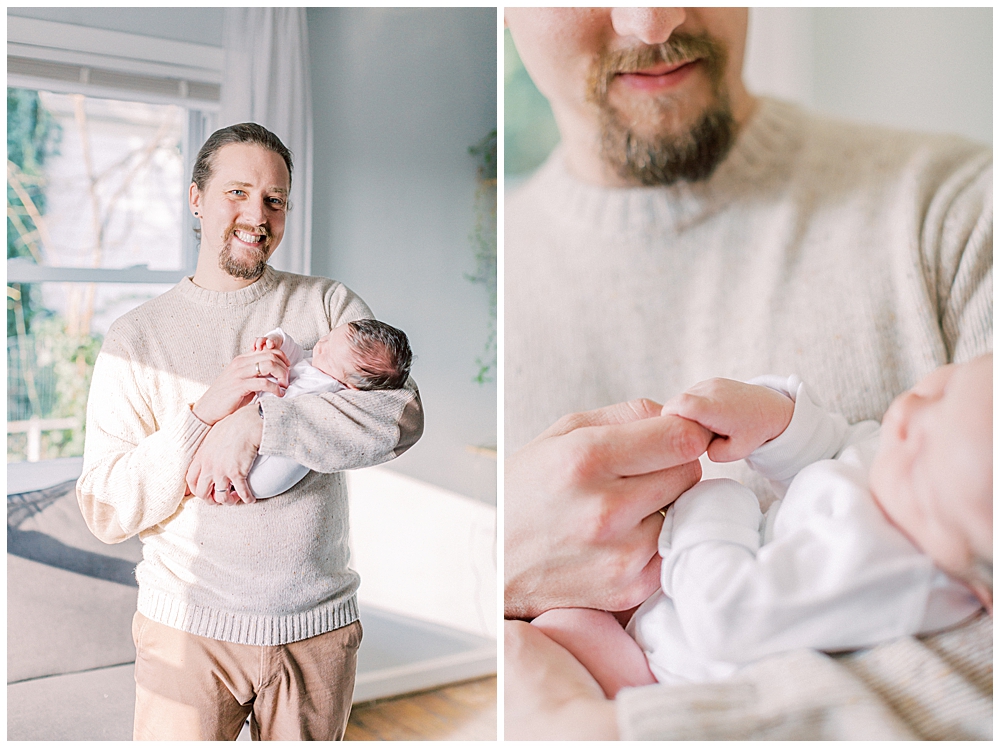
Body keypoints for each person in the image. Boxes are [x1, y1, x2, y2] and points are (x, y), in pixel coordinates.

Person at [503, 7, 992, 740]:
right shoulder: (474, 287)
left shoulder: (962, 217)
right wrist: (494, 567)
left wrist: (586, 728)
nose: (652, 18)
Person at [76, 122, 424, 741]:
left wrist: (261, 421)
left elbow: (400, 420)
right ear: (195, 199)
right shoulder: (135, 338)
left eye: (274, 199)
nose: (256, 215)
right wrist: (205, 415)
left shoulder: (328, 307)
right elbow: (105, 506)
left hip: (317, 631)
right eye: (237, 192)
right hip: (186, 630)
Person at [531, 356, 991, 697]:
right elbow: (841, 453)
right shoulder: (915, 484)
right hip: (675, 588)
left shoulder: (887, 572)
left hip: (668, 674)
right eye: (945, 387)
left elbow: (727, 616)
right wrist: (777, 420)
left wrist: (714, 504)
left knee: (549, 633)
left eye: (918, 456)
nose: (907, 411)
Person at [246, 319, 413, 498]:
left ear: (350, 386)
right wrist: (275, 340)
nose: (320, 345)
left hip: (275, 464)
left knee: (263, 477)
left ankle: (238, 483)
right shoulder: (320, 363)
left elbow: (299, 414)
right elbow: (296, 356)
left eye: (328, 355)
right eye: (329, 337)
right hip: (260, 420)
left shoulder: (330, 389)